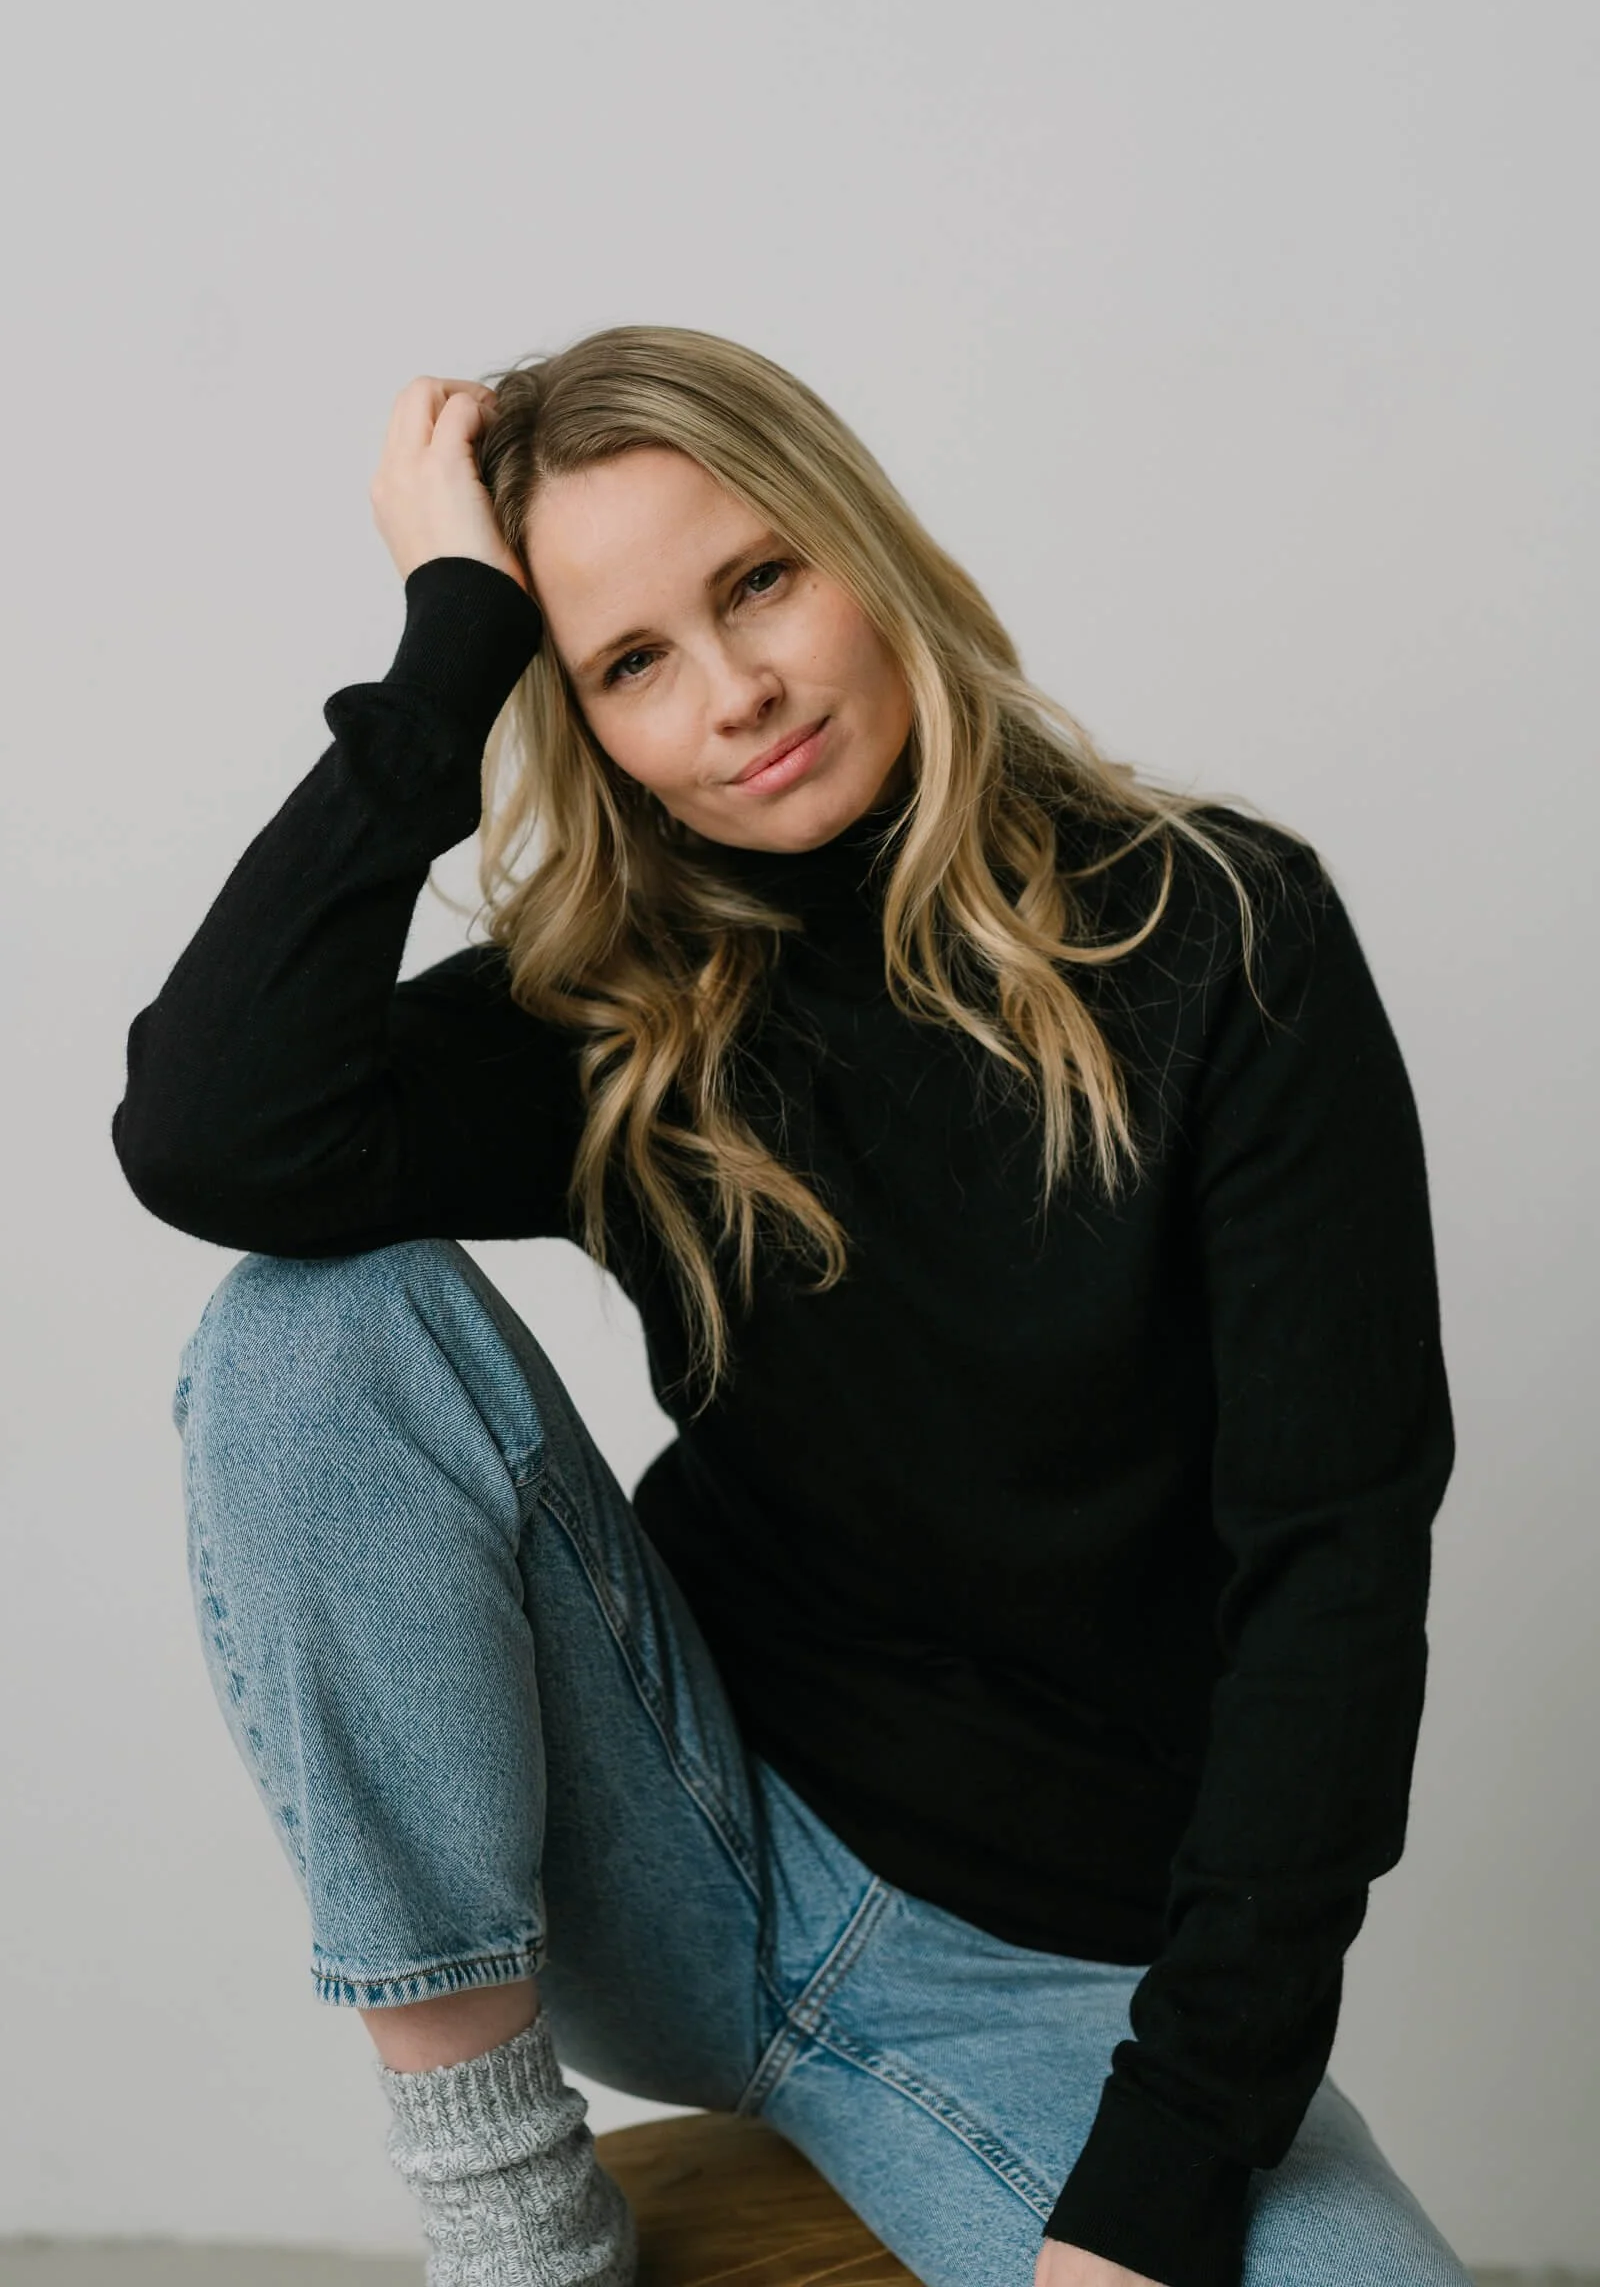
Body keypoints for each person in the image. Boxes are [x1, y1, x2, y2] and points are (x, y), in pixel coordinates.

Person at [112, 327, 1475, 2287]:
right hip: (678, 1858)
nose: (734, 692)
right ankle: (507, 2229)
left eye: (755, 582)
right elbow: (207, 1130)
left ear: (862, 546)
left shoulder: (1218, 943)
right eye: (627, 664)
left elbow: (1329, 1574)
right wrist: (443, 645)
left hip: (1049, 1984)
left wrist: (1159, 2178)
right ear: (572, 719)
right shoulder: (623, 1012)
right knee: (311, 1330)